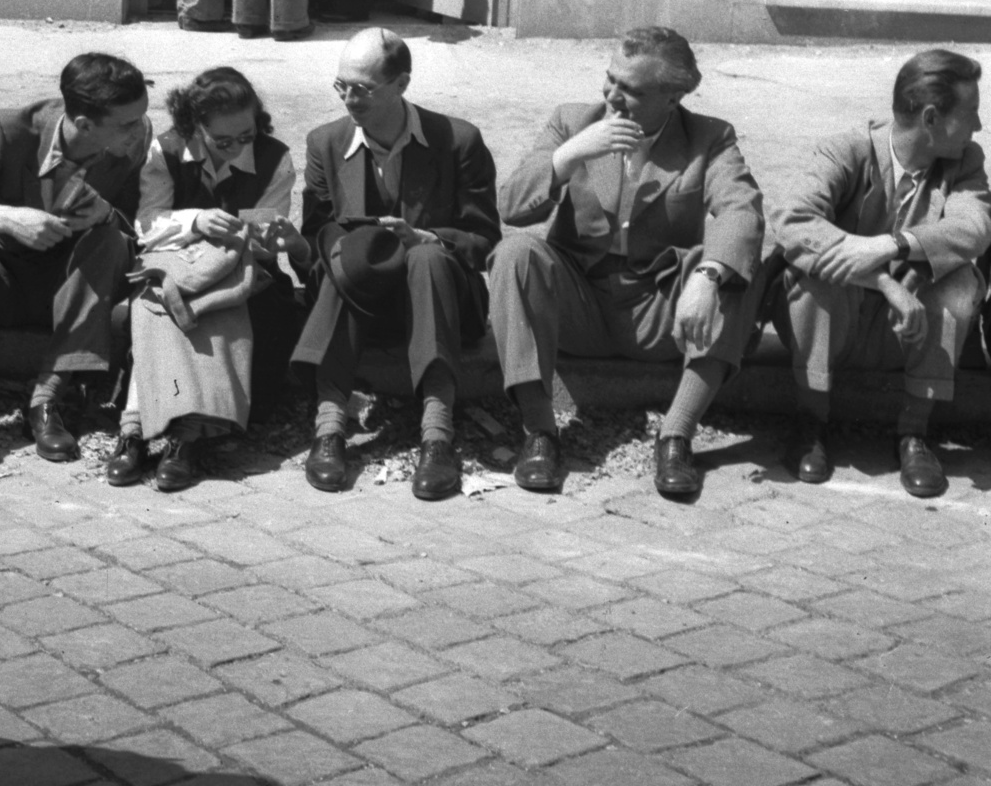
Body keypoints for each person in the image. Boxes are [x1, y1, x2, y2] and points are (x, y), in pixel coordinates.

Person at [490, 27, 769, 499]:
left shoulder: (709, 138)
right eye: (609, 79)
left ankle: (676, 436)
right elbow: (512, 207)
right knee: (515, 253)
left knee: (736, 264)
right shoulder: (573, 120)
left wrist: (706, 277)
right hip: (578, 304)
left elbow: (742, 210)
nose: (612, 96)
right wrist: (569, 154)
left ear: (674, 96)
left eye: (631, 90)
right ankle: (540, 434)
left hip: (660, 311)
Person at [0, 54, 151, 462]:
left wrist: (107, 213)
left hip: (76, 289)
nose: (140, 130)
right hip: (0, 282)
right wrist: (5, 218)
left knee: (108, 240)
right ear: (85, 124)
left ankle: (47, 401)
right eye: (127, 123)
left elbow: (143, 229)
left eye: (142, 116)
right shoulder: (7, 130)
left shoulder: (132, 144)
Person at [292, 28, 500, 500]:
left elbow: (485, 240)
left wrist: (429, 238)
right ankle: (328, 427)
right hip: (363, 300)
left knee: (426, 257)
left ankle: (437, 433)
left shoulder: (457, 140)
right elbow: (311, 238)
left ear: (401, 84)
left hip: (442, 301)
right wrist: (313, 246)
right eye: (340, 86)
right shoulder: (325, 142)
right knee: (341, 257)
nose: (349, 98)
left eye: (362, 88)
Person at [772, 49, 991, 497]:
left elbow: (974, 228)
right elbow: (792, 222)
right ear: (931, 117)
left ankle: (914, 432)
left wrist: (889, 244)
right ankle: (810, 421)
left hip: (911, 330)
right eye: (971, 113)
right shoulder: (847, 149)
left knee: (961, 282)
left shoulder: (964, 161)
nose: (978, 126)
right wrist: (883, 281)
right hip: (841, 321)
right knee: (814, 277)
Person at [109, 67, 307, 490]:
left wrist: (262, 238)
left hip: (248, 277)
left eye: (247, 136)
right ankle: (136, 428)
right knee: (156, 305)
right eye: (223, 141)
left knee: (216, 308)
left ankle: (188, 434)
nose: (236, 149)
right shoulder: (165, 150)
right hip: (177, 267)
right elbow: (147, 224)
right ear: (194, 126)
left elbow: (267, 241)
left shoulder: (276, 158)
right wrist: (196, 221)